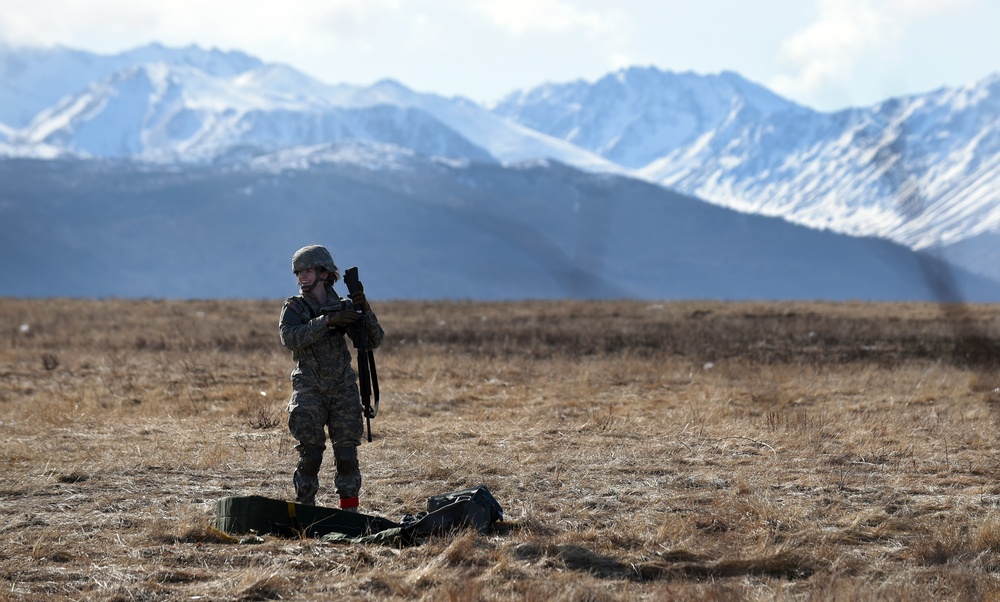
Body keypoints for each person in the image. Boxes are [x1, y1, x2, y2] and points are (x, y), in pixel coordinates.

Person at [278, 244, 385, 511]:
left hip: (342, 386)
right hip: (309, 385)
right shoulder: (295, 307)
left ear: (324, 273)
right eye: (299, 272)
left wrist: (364, 310)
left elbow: (374, 340)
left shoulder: (344, 305)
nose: (302, 277)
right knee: (310, 454)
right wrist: (325, 322)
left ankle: (349, 512)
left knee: (347, 454)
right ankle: (305, 511)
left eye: (308, 271)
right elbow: (290, 338)